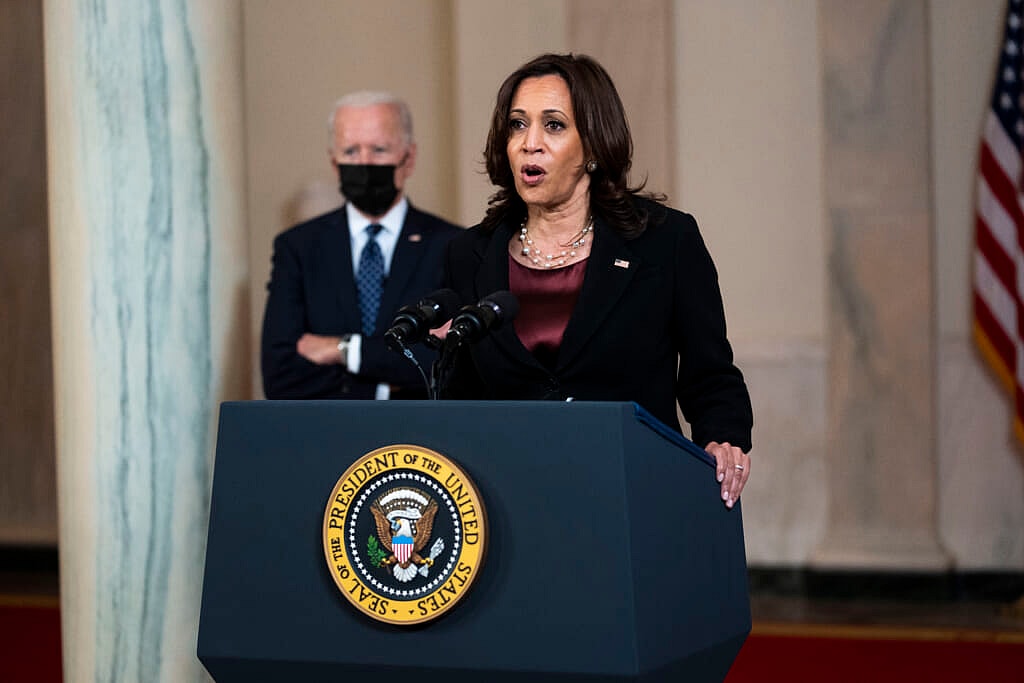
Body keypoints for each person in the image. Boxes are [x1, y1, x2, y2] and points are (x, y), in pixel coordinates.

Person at [441, 54, 753, 508]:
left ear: (592, 144)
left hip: (634, 492)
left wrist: (723, 440)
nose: (530, 144)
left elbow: (711, 375)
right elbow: (459, 398)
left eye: (553, 126)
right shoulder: (468, 255)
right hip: (507, 502)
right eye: (516, 125)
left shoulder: (664, 242)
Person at [261, 91, 460, 400]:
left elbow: (453, 367)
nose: (364, 163)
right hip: (328, 438)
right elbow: (280, 375)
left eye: (379, 150)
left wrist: (345, 350)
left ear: (409, 158)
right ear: (334, 161)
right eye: (351, 151)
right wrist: (389, 384)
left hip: (421, 439)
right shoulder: (298, 248)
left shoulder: (452, 247)